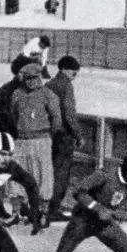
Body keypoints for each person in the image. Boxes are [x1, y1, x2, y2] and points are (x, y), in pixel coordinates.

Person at [8, 61, 61, 227]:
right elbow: (13, 115)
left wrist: (47, 135)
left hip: (42, 140)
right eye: (28, 78)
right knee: (16, 175)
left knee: (43, 176)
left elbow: (56, 120)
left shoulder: (48, 95)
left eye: (35, 78)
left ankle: (42, 214)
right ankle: (16, 213)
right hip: (22, 140)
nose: (31, 81)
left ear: (40, 77)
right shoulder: (17, 94)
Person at [45, 55, 84, 221]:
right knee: (61, 174)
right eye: (74, 73)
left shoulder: (48, 84)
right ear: (65, 70)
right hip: (63, 137)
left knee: (47, 172)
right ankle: (53, 210)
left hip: (48, 135)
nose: (74, 76)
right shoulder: (66, 86)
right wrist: (78, 135)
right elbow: (69, 115)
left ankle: (43, 207)